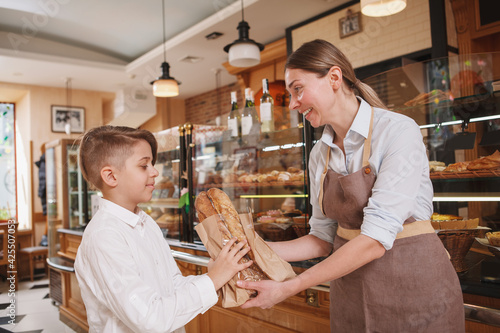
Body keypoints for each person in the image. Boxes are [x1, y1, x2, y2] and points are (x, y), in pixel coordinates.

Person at [237, 39, 465, 332]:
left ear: (334, 78)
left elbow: (373, 240)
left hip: (417, 294)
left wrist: (290, 286)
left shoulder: (397, 131)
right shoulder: (320, 154)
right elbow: (322, 237)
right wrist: (257, 249)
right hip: (353, 296)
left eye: (297, 89)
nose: (293, 104)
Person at [75, 125, 253, 333]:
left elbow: (172, 285)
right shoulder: (104, 237)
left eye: (152, 163)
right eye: (144, 165)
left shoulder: (146, 222)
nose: (155, 171)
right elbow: (150, 319)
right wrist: (211, 281)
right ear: (111, 176)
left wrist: (213, 274)